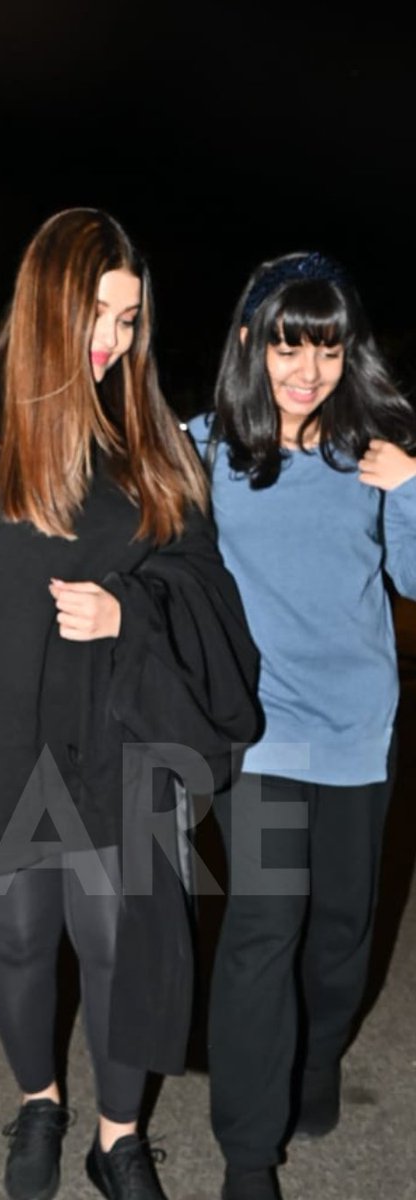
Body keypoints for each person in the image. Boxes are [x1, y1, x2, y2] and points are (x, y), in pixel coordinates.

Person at [0, 208, 261, 1200]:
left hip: (119, 732)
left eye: (130, 320)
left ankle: (116, 1137)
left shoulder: (147, 431)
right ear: (46, 299)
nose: (114, 340)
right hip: (3, 729)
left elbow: (202, 579)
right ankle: (39, 1101)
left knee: (120, 944)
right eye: (98, 313)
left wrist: (130, 609)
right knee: (21, 939)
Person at [188, 252, 416, 1200]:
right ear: (251, 343)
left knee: (341, 936)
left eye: (327, 348)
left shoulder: (376, 450)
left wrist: (410, 489)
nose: (307, 369)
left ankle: (316, 1060)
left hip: (359, 727)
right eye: (288, 344)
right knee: (264, 927)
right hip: (264, 734)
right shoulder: (202, 448)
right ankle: (250, 1155)